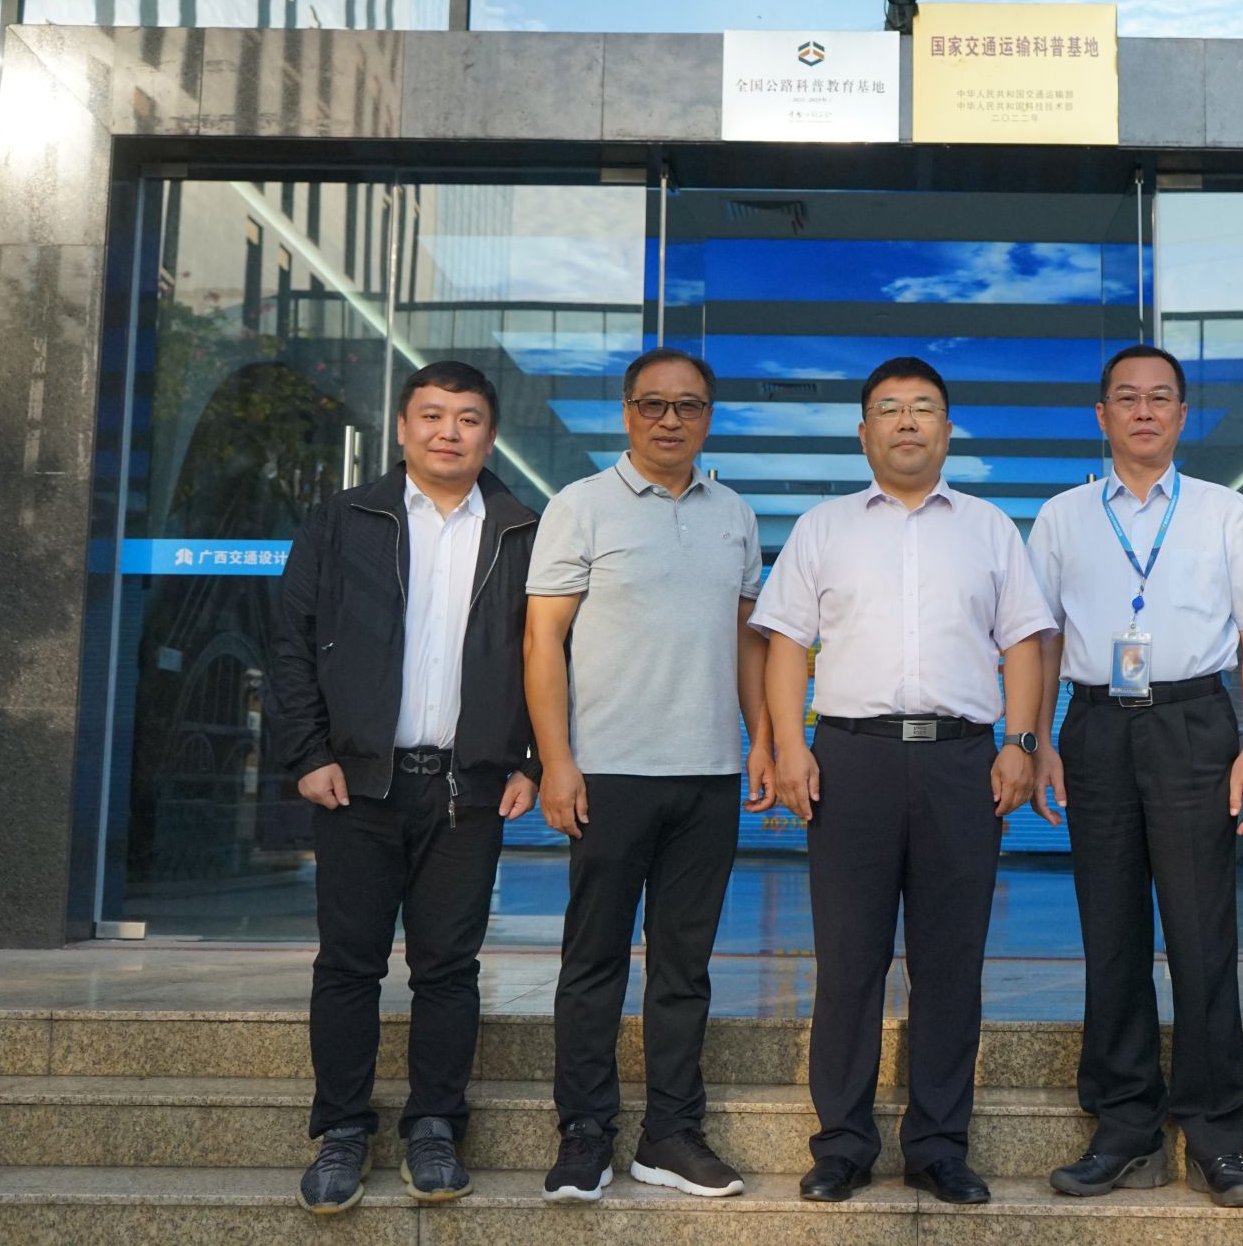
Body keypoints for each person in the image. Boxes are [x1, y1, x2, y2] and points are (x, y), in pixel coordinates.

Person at [750, 356, 1055, 1207]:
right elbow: (786, 644)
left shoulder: (990, 528)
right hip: (852, 758)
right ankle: (843, 1144)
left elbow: (1024, 642)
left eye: (923, 407)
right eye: (890, 408)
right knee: (848, 958)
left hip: (963, 759)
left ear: (948, 429)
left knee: (951, 961)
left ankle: (938, 1145)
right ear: (864, 432)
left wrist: (1021, 742)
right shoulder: (823, 528)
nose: (908, 421)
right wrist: (789, 743)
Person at [265, 361, 541, 1215]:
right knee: (349, 963)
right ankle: (342, 1129)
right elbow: (290, 639)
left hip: (468, 787)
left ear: (490, 435)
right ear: (402, 427)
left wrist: (532, 759)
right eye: (431, 415)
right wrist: (308, 752)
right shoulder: (342, 518)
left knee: (448, 967)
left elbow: (556, 655)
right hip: (357, 782)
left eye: (467, 417)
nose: (448, 431)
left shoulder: (524, 529)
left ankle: (434, 1126)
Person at [1026, 344, 1243, 1208]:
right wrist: (1038, 740)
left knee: (1201, 931)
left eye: (1160, 398)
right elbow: (1042, 638)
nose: (1144, 412)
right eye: (1127, 398)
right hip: (1096, 726)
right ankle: (1123, 1123)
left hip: (1194, 723)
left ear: (1181, 414)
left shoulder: (1224, 510)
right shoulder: (1063, 517)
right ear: (1101, 415)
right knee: (1110, 930)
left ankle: (1216, 1132)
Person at [527, 348, 773, 1203]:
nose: (671, 420)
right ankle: (584, 1131)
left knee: (684, 968)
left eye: (688, 406)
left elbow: (747, 642)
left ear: (709, 417)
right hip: (609, 772)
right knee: (593, 961)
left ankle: (669, 1134)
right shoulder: (580, 506)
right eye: (653, 404)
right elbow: (542, 641)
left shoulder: (735, 514)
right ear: (627, 412)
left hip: (707, 775)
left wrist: (763, 740)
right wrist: (558, 761)